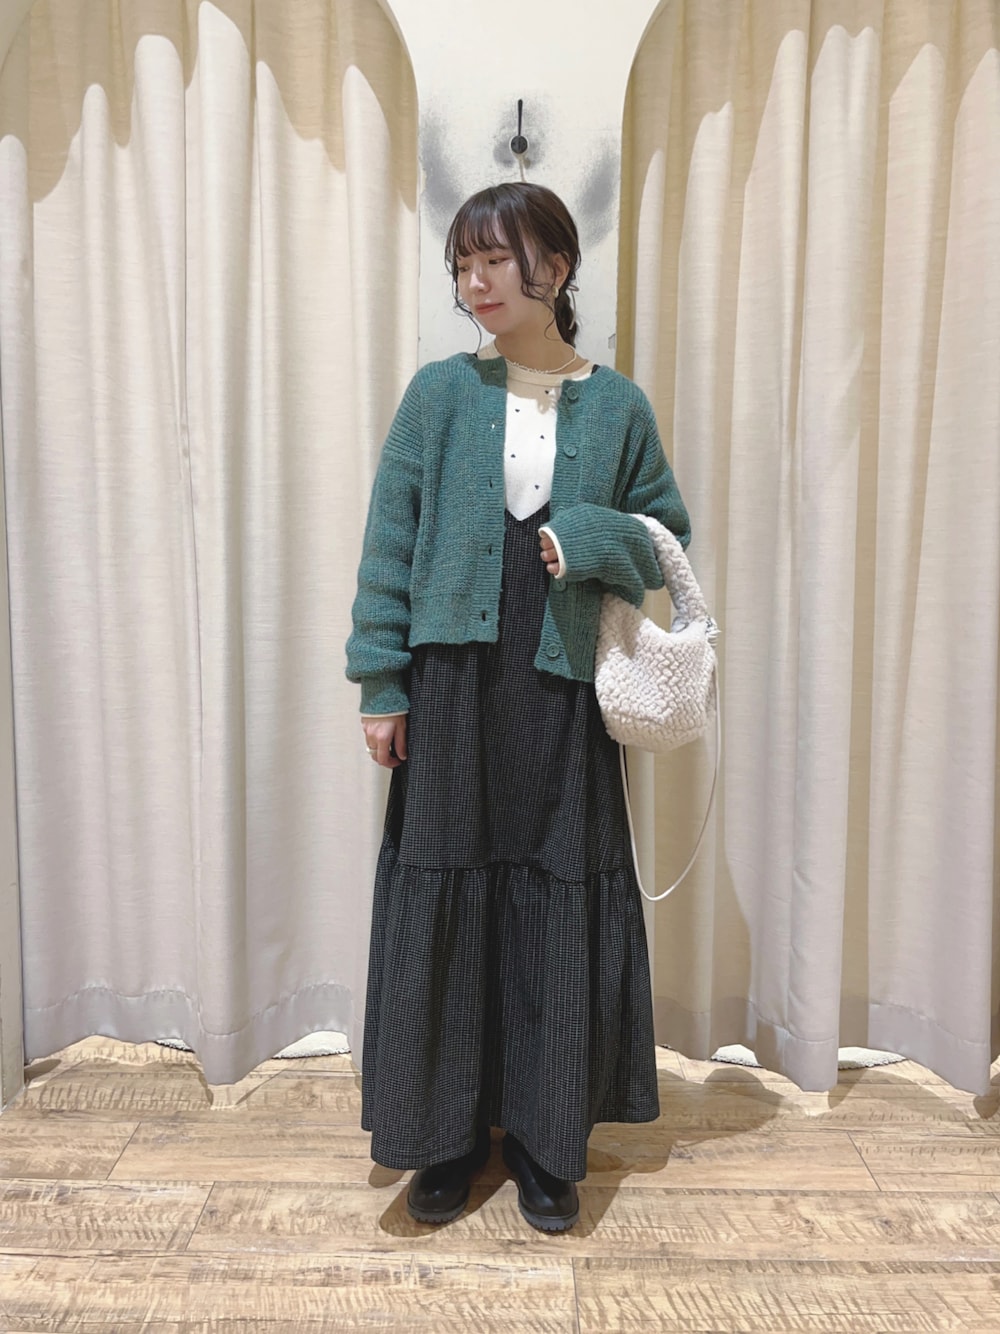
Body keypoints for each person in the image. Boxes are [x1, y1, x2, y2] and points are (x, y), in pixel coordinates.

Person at [346, 181, 690, 1232]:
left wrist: (587, 540)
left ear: (557, 264)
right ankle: (444, 1135)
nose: (475, 281)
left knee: (554, 892)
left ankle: (546, 1138)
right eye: (462, 264)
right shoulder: (438, 395)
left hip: (561, 687)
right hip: (452, 691)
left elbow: (665, 544)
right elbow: (389, 543)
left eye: (495, 259)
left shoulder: (618, 407)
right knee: (445, 885)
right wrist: (381, 682)